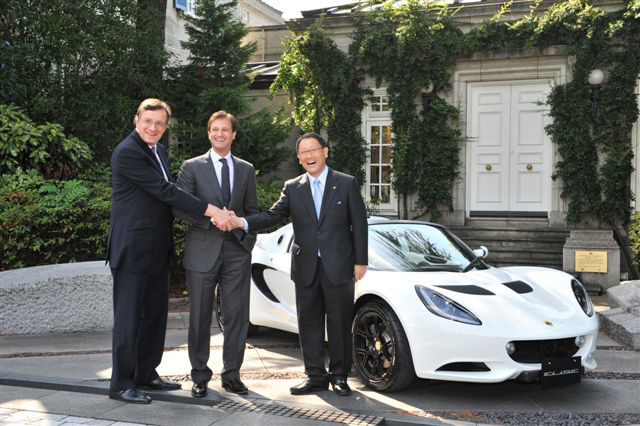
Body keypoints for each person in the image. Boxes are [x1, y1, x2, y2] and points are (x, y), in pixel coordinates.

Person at [106, 98, 233, 404]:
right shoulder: (127, 152)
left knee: (154, 315)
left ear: (165, 126)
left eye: (160, 123)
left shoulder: (159, 150)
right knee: (129, 319)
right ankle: (122, 384)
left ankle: (146, 374)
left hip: (156, 248)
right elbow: (166, 192)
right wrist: (212, 210)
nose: (154, 128)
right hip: (132, 249)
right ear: (137, 120)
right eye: (148, 121)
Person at [231, 132, 368, 396]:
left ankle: (340, 376)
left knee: (338, 323)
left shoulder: (346, 183)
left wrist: (360, 261)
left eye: (313, 150)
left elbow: (359, 225)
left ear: (325, 151)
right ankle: (315, 376)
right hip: (305, 267)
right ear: (298, 158)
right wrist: (244, 222)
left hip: (339, 266)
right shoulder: (293, 187)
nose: (308, 156)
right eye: (303, 152)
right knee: (309, 323)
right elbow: (273, 215)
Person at [173, 111, 258, 398]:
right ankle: (200, 375)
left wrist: (245, 237)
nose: (220, 134)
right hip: (202, 251)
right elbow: (180, 207)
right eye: (214, 129)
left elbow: (253, 211)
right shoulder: (191, 167)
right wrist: (213, 219)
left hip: (236, 251)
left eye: (225, 130)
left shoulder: (246, 169)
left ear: (234, 134)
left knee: (237, 315)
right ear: (208, 133)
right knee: (199, 316)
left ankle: (232, 374)